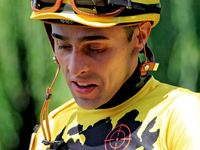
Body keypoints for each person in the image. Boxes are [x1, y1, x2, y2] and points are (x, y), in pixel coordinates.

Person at [29, 0, 200, 149]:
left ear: (140, 37)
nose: (74, 69)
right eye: (63, 46)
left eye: (94, 49)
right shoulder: (52, 128)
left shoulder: (182, 114)